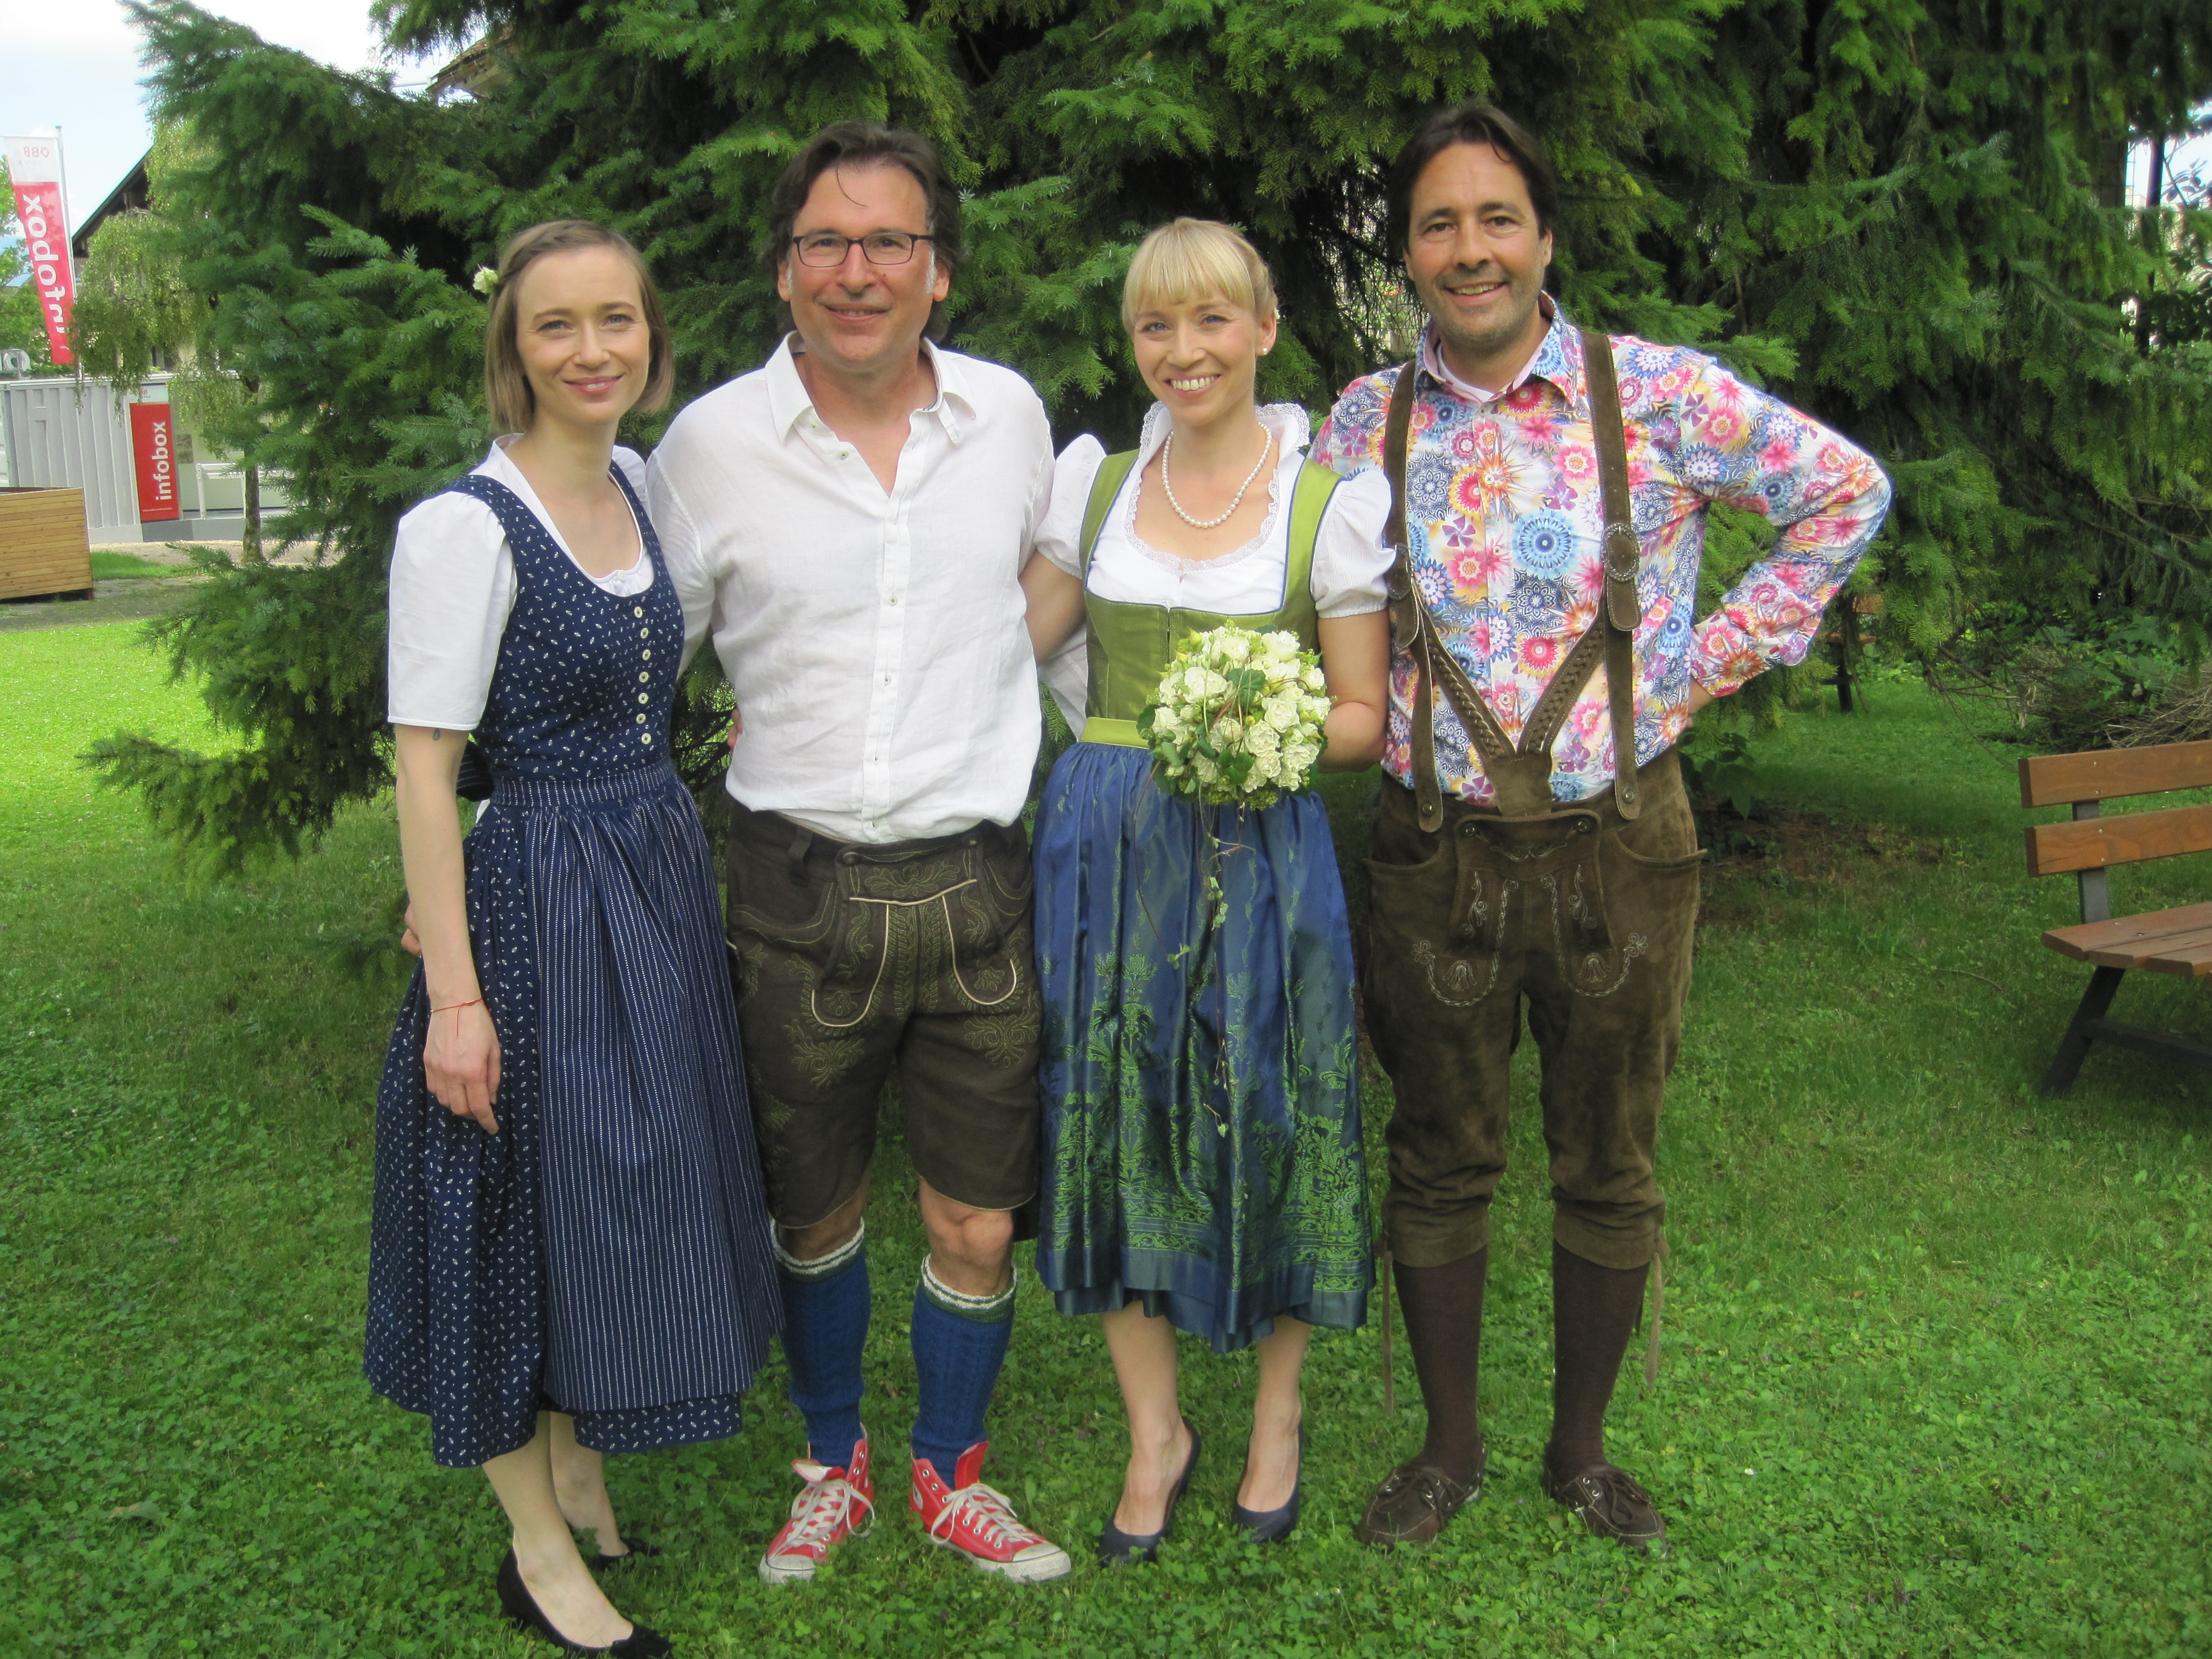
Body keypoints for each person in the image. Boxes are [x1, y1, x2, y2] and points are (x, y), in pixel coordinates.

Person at [1312, 106, 1892, 1553]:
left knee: (1611, 1156)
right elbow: (1304, 596)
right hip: (1431, 847)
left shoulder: (1661, 395)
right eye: (1439, 224)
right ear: (1408, 254)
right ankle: (1448, 1448)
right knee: (1437, 1151)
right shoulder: (1360, 423)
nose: (1471, 250)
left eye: (1497, 218)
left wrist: (1696, 667)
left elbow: (1847, 491)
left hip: (1624, 845)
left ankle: (1579, 1451)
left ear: (1546, 237)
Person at [646, 122, 1072, 1586]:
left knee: (979, 1219)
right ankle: (836, 1462)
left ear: (937, 271)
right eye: (825, 241)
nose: (857, 271)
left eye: (890, 240)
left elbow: (1064, 586)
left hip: (977, 890)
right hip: (794, 893)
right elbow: (639, 666)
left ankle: (951, 1470)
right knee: (811, 1209)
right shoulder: (708, 448)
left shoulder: (1011, 420)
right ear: (784, 271)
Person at [369, 218, 779, 1656]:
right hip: (536, 893)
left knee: (612, 1182)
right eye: (557, 325)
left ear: (651, 336)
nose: (592, 349)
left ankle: (582, 1463)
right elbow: (426, 766)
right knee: (509, 1200)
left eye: (617, 319)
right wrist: (456, 996)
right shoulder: (466, 528)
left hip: (648, 872)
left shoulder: (643, 488)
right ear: (515, 349)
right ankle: (538, 1552)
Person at [1019, 220, 1392, 1563]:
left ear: (1266, 327)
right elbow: (1007, 648)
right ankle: (1155, 1432)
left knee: (1273, 1106)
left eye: (1213, 319)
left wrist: (1263, 730)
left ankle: (1276, 1419)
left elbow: (1362, 716)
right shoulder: (1098, 489)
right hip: (1107, 847)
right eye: (1156, 326)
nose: (1185, 351)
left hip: (1261, 846)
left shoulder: (1326, 503)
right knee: (1113, 1108)